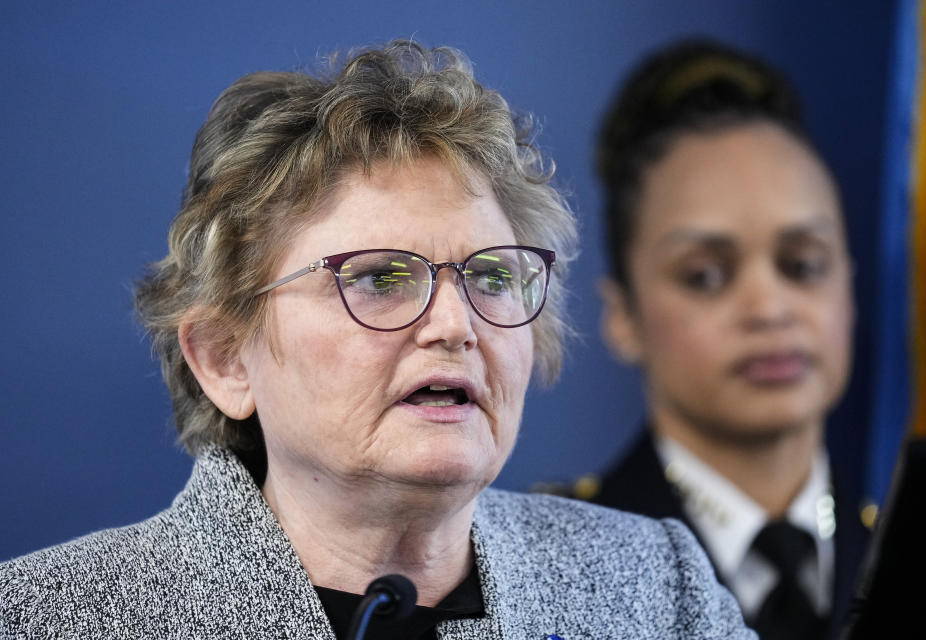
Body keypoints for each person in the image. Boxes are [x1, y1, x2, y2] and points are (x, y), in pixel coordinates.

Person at [0, 41, 755, 638]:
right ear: (226, 357)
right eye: (380, 278)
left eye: (492, 277)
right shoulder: (40, 618)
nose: (457, 326)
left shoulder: (657, 587)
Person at [583, 39, 871, 640]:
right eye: (706, 276)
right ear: (622, 316)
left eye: (802, 265)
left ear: (849, 284)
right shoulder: (552, 578)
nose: (769, 309)